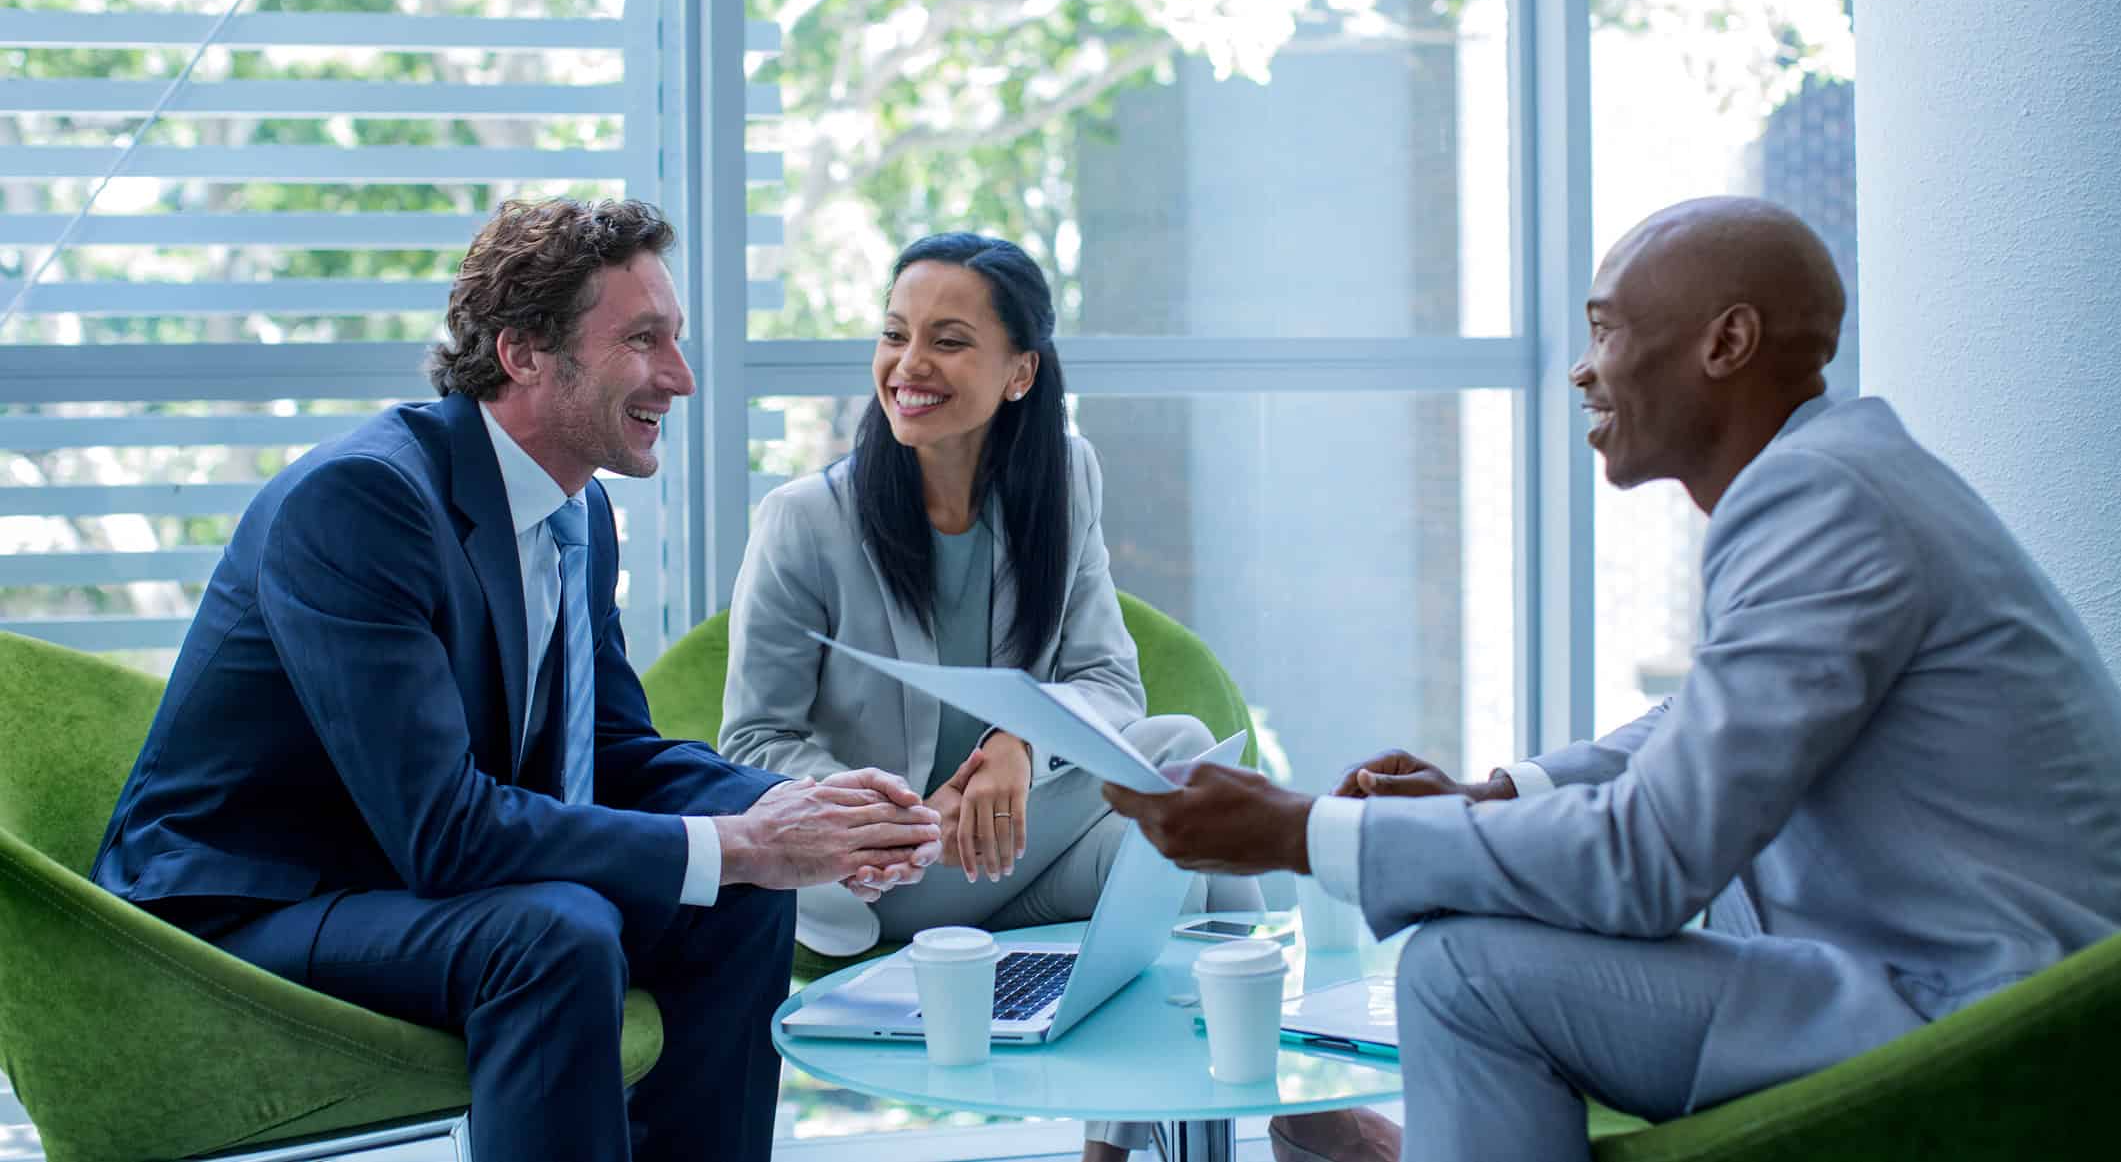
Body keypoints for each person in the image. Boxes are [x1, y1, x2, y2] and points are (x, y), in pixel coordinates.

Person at [1101, 196, 2121, 1162]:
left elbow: (1653, 856)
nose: (1584, 373)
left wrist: (1301, 830)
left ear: (1725, 343)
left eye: (1606, 331)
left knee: (1467, 972)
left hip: (1980, 1014)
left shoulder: (1820, 502)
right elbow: (1701, 721)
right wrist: (1502, 793)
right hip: (1932, 968)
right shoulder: (1840, 474)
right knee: (1484, 925)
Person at [90, 197, 944, 1162]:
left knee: (738, 900)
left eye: (678, 340)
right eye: (643, 340)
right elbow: (442, 831)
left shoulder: (576, 515)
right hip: (249, 907)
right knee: (556, 931)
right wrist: (739, 841)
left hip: (398, 880)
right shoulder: (362, 503)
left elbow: (613, 748)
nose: (683, 377)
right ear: (524, 352)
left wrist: (801, 811)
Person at [721, 231, 1259, 1161]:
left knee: (1179, 849)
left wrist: (1019, 740)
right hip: (892, 876)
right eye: (896, 334)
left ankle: (1116, 1150)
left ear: (1019, 372)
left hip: (1019, 860)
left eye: (949, 339)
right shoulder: (805, 520)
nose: (909, 365)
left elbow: (1104, 679)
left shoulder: (1064, 477)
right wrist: (885, 809)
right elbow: (752, 741)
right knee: (1178, 748)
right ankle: (1302, 1124)